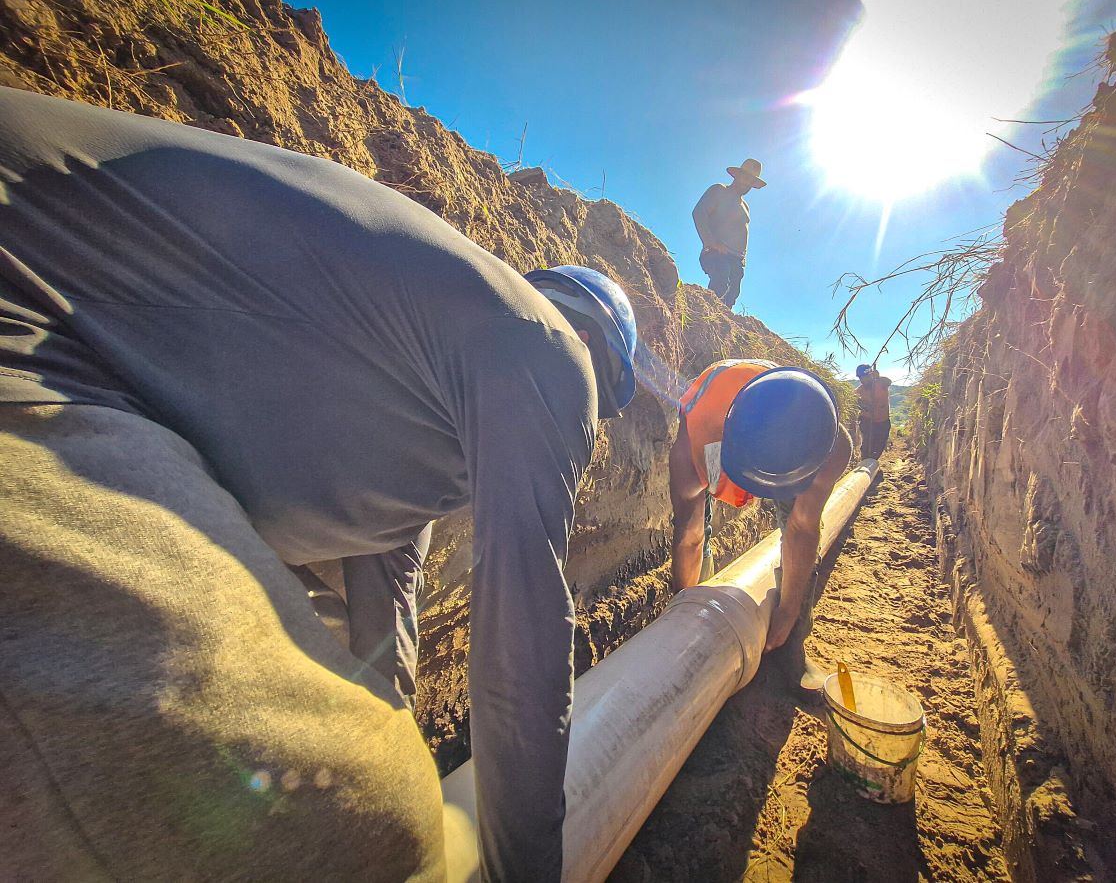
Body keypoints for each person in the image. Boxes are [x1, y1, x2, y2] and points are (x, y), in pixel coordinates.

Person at [0, 86, 637, 882]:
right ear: (591, 353)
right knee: (367, 831)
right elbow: (524, 660)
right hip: (31, 341)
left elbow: (384, 635)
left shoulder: (402, 417)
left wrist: (389, 731)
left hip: (80, 365)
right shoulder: (547, 349)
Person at [668, 359, 852, 693]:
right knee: (697, 527)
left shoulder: (829, 446)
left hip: (785, 441)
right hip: (722, 427)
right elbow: (689, 535)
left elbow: (802, 529)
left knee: (799, 523)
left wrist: (788, 612)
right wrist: (684, 606)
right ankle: (697, 600)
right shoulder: (701, 439)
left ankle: (793, 649)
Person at [691, 158, 765, 308]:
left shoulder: (745, 206)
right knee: (721, 280)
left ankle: (719, 324)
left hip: (737, 259)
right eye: (745, 178)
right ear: (737, 175)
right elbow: (699, 213)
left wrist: (742, 259)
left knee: (732, 294)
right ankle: (705, 315)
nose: (747, 183)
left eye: (751, 181)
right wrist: (711, 242)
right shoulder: (719, 190)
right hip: (717, 251)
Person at [855, 364, 893, 460]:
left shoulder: (881, 383)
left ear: (870, 375)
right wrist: (862, 405)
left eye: (864, 377)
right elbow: (853, 398)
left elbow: (888, 381)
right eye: (860, 378)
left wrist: (878, 377)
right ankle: (865, 461)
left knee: (879, 446)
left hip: (883, 422)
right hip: (867, 421)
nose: (862, 380)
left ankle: (873, 462)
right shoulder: (861, 390)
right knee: (867, 446)